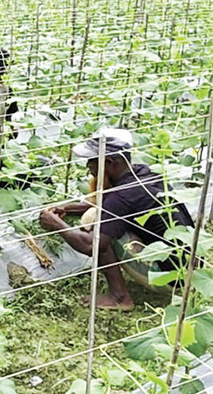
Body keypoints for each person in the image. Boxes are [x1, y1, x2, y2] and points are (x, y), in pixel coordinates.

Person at [38, 128, 195, 311]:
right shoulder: (143, 175)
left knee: (96, 227)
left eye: (92, 160)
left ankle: (119, 297)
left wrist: (56, 224)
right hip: (190, 272)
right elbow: (109, 206)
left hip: (168, 279)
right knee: (103, 218)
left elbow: (91, 245)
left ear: (109, 162)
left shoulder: (121, 196)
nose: (88, 166)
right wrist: (67, 209)